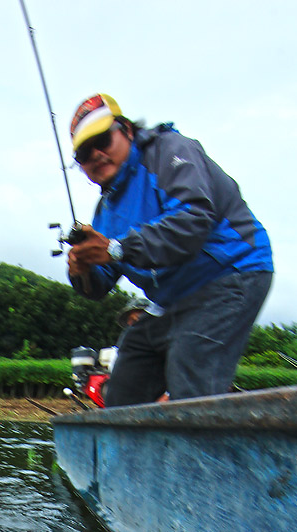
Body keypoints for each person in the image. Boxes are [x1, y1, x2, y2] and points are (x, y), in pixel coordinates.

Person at [66, 94, 273, 407]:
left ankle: (203, 450)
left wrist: (116, 249)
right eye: (83, 153)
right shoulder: (105, 211)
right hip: (172, 302)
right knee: (126, 382)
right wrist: (81, 269)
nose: (95, 155)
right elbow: (99, 283)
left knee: (192, 371)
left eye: (103, 139)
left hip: (233, 273)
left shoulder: (169, 151)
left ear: (126, 131)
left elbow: (193, 220)